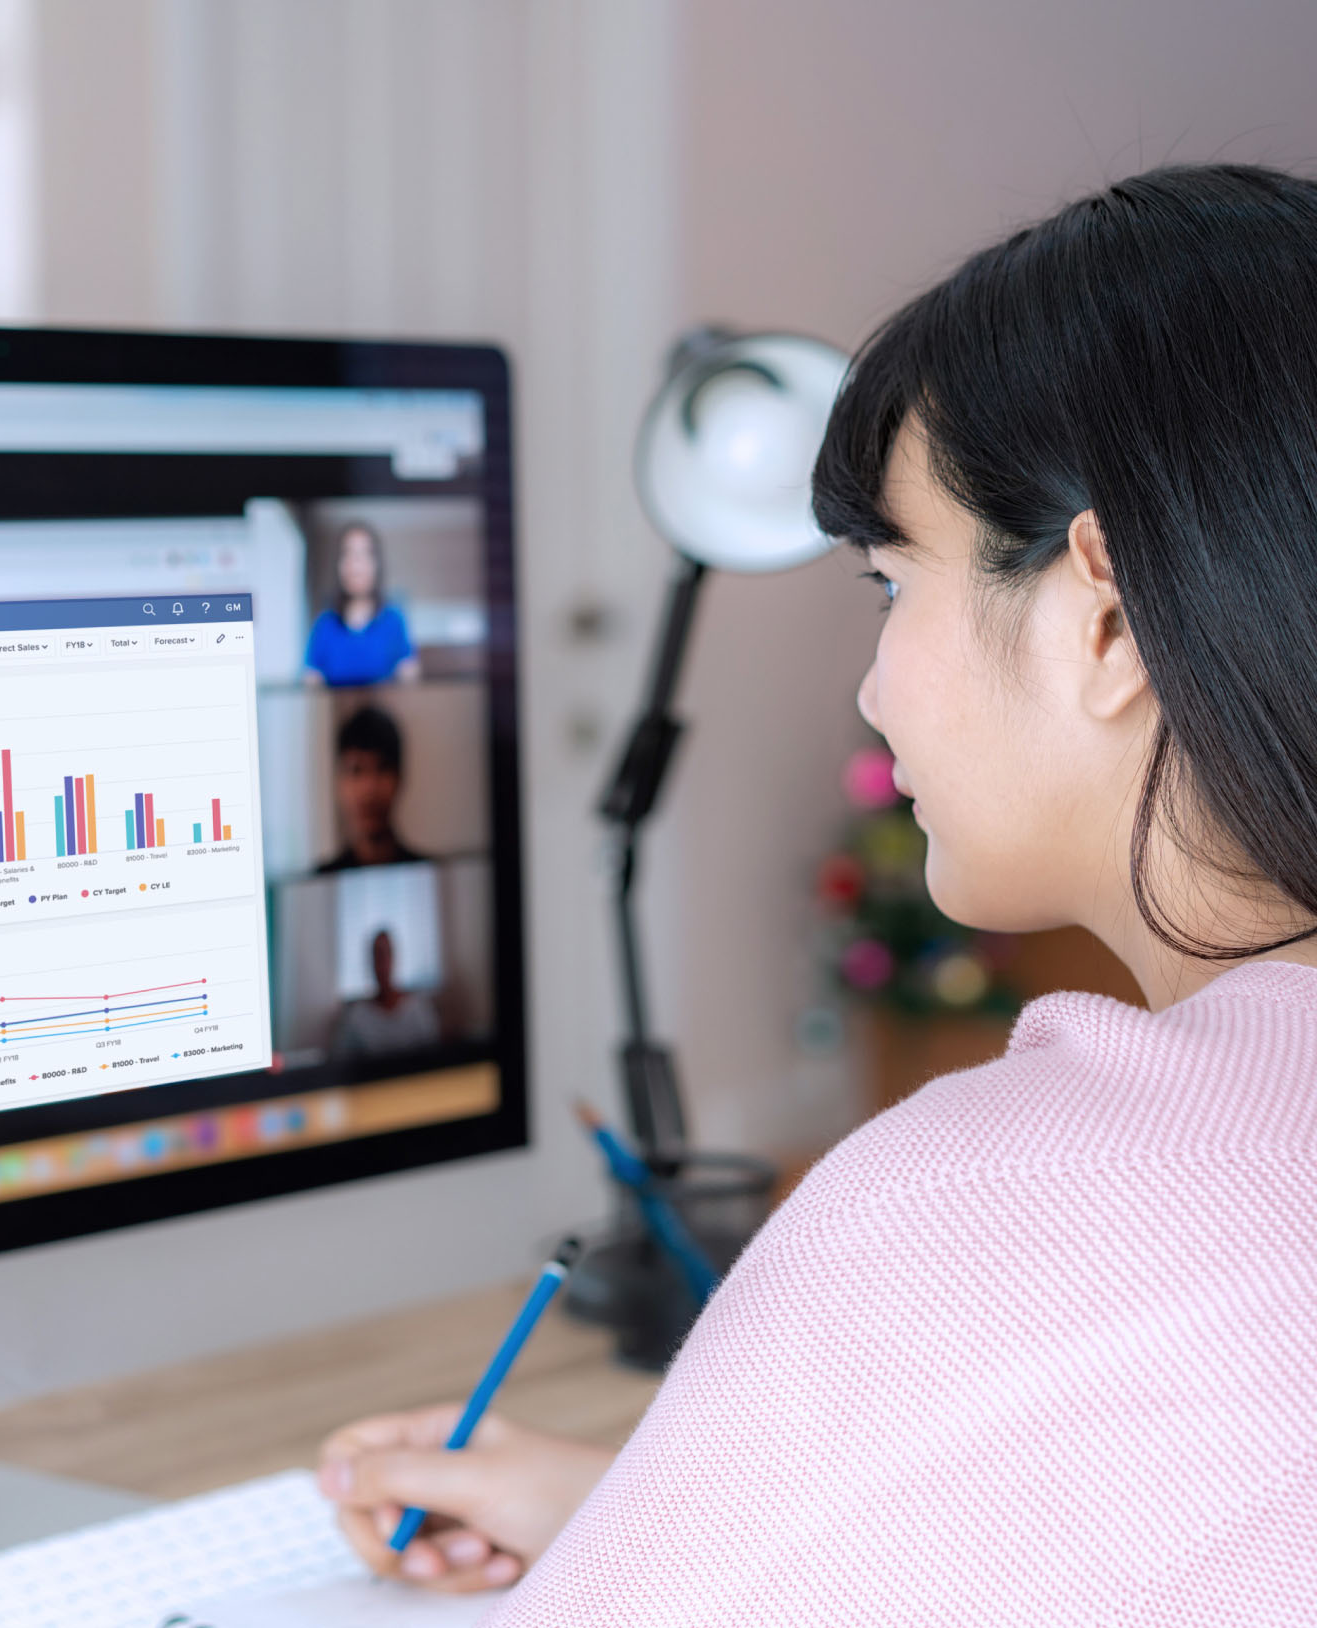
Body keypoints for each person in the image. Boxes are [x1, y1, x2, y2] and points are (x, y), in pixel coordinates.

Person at [316, 164, 1317, 1622]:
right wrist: (672, 1504)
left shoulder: (1008, 1205)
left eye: (890, 585)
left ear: (1103, 616)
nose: (871, 683)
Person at [303, 520, 421, 686]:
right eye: (348, 554)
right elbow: (311, 684)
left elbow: (409, 679)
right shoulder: (324, 624)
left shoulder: (394, 620)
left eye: (364, 554)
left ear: (377, 564)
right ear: (339, 565)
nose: (355, 564)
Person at [317, 705, 427, 871]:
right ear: (339, 782)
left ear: (399, 778)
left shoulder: (426, 871)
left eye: (382, 769)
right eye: (356, 770)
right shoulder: (322, 878)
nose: (370, 789)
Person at [330, 928, 443, 1058]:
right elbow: (340, 1063)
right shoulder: (356, 1018)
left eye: (385, 955)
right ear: (370, 962)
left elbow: (435, 1058)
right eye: (377, 956)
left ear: (394, 958)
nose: (382, 964)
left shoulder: (419, 1009)